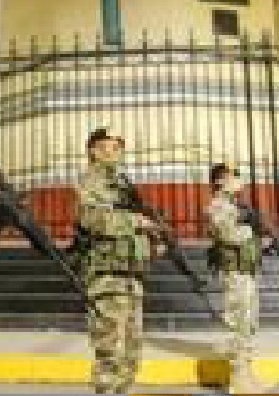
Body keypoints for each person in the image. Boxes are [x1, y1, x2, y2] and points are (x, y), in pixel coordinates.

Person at [75, 127, 161, 394]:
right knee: (109, 355)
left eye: (118, 147)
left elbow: (131, 225)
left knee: (131, 356)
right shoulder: (90, 182)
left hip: (130, 276)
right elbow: (93, 220)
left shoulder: (122, 185)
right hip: (107, 278)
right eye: (106, 146)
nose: (113, 152)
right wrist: (138, 222)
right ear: (93, 151)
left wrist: (151, 242)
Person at [206, 162, 269, 392]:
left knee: (249, 322)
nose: (238, 180)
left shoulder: (237, 206)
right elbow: (229, 235)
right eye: (233, 176)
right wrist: (253, 232)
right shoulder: (218, 205)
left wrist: (261, 239)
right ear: (219, 180)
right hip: (234, 273)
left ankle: (248, 373)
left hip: (246, 271)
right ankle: (238, 378)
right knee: (238, 322)